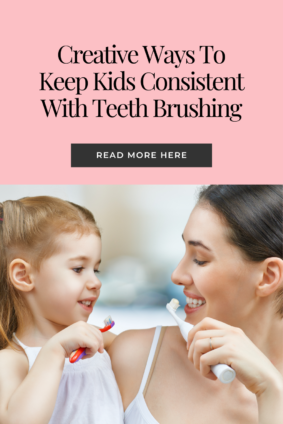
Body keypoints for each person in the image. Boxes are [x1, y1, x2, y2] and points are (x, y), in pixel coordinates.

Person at [109, 185, 283, 424]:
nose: (177, 275)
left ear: (268, 277)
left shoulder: (274, 390)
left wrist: (271, 392)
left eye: (200, 260)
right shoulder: (133, 357)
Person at [0, 196, 124, 424]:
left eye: (95, 270)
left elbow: (156, 352)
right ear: (23, 276)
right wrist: (54, 352)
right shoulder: (12, 362)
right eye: (78, 269)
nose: (95, 282)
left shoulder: (101, 340)